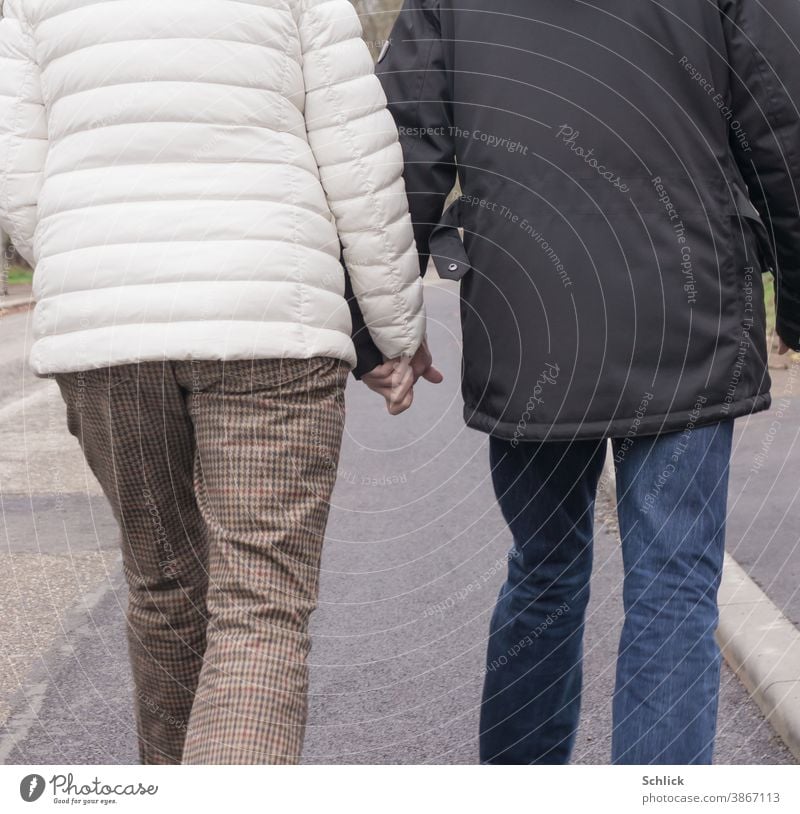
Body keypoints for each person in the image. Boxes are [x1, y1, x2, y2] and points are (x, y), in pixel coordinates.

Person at [356, 0, 800, 763]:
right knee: (673, 588)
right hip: (683, 308)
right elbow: (784, 126)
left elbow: (400, 152)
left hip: (529, 315)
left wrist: (381, 333)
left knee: (546, 570)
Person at [0, 0, 440, 764]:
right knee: (259, 611)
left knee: (165, 590)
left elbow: (20, 180)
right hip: (269, 312)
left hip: (107, 330)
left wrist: (95, 274)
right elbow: (359, 164)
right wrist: (395, 330)